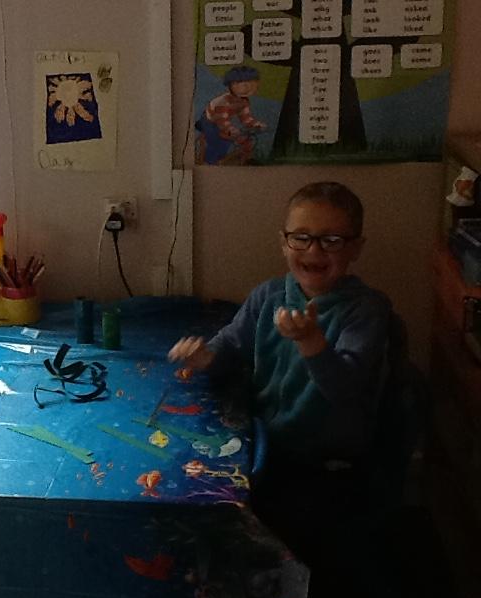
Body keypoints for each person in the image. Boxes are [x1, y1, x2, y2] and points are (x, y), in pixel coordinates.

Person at [168, 181, 392, 564]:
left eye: (332, 240)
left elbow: (347, 389)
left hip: (326, 466)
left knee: (273, 550)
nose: (314, 251)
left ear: (355, 247)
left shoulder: (365, 311)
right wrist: (207, 357)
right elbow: (231, 345)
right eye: (301, 237)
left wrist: (311, 342)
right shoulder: (268, 296)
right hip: (265, 446)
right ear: (283, 243)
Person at [195, 65, 268, 166]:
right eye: (244, 85)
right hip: (210, 121)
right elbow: (222, 121)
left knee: (246, 141)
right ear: (232, 85)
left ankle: (240, 160)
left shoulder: (243, 101)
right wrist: (230, 129)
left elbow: (245, 117)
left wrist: (255, 124)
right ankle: (209, 163)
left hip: (224, 121)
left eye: (253, 85)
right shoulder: (223, 103)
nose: (249, 88)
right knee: (220, 142)